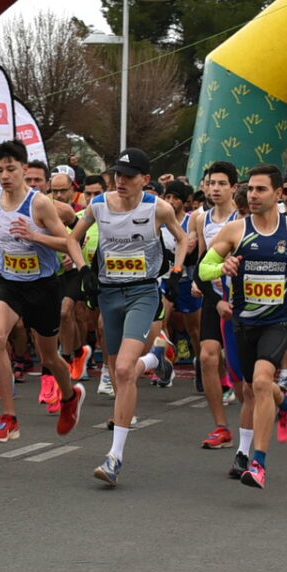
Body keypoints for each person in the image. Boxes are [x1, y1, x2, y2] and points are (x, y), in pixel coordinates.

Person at [196, 164, 287, 489]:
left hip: (279, 321)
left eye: (261, 190)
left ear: (277, 194)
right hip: (244, 322)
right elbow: (202, 269)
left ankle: (258, 464)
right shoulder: (235, 232)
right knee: (248, 389)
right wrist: (222, 267)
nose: (253, 195)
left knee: (259, 382)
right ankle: (285, 402)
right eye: (251, 189)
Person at [70, 147, 184, 487]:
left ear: (145, 181)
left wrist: (176, 271)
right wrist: (82, 271)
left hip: (142, 293)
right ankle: (155, 360)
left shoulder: (158, 208)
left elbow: (183, 237)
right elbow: (72, 239)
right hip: (108, 294)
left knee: (121, 370)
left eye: (129, 176)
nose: (121, 180)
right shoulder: (98, 205)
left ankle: (115, 456)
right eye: (117, 174)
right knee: (121, 373)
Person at [0, 139, 84, 444]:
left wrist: (34, 236)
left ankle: (71, 396)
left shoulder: (40, 204)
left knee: (49, 357)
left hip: (43, 286)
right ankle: (10, 418)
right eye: (0, 170)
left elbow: (69, 242)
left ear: (23, 169)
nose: (5, 175)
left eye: (11, 169)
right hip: (11, 284)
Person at [189, 161, 242, 449]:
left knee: (242, 371)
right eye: (211, 183)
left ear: (234, 188)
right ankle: (221, 427)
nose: (216, 188)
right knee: (208, 357)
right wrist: (199, 282)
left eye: (222, 183)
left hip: (243, 299)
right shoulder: (201, 219)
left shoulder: (242, 217)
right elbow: (202, 257)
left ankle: (255, 422)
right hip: (215, 296)